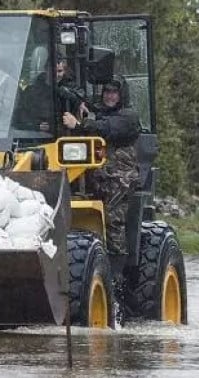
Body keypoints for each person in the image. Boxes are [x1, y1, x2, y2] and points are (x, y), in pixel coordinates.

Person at [62, 78, 141, 275]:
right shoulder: (98, 111)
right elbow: (90, 108)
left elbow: (107, 128)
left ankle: (116, 276)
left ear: (122, 95)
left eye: (114, 92)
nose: (110, 96)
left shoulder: (128, 117)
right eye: (106, 92)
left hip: (119, 180)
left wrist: (79, 125)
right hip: (95, 179)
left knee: (113, 222)